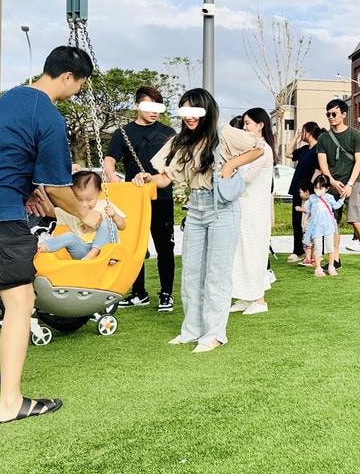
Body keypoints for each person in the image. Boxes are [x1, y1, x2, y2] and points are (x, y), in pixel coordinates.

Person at [0, 46, 103, 423]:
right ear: (68, 77)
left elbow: (0, 158)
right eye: (79, 84)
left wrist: (27, 188)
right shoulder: (47, 114)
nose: (77, 91)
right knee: (22, 300)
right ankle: (11, 403)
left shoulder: (4, 102)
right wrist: (85, 211)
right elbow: (56, 186)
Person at [133, 89, 260, 353]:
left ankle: (214, 334)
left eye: (194, 111)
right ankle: (191, 330)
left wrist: (229, 165)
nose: (189, 118)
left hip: (223, 207)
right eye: (184, 111)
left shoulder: (223, 133)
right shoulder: (180, 141)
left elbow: (258, 149)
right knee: (191, 273)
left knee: (217, 275)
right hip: (196, 208)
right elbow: (165, 178)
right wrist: (147, 178)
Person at [104, 85, 177, 312]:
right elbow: (109, 161)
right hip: (133, 200)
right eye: (148, 106)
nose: (154, 111)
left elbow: (173, 167)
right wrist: (117, 183)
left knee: (165, 247)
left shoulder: (169, 133)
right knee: (135, 247)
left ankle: (166, 294)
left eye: (158, 106)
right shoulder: (122, 133)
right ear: (137, 106)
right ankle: (139, 293)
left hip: (162, 197)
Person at [315, 99, 360, 271]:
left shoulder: (354, 135)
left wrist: (349, 184)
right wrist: (331, 181)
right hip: (332, 184)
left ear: (343, 115)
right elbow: (322, 163)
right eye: (328, 114)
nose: (331, 117)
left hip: (352, 183)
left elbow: (359, 161)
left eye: (334, 114)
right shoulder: (324, 138)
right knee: (332, 222)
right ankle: (336, 259)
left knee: (354, 218)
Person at [229, 107, 277, 315]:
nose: (244, 127)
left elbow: (247, 178)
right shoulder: (251, 148)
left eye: (248, 123)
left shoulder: (263, 150)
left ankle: (259, 300)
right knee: (240, 253)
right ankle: (245, 296)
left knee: (254, 253)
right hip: (243, 207)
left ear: (260, 125)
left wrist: (230, 168)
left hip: (255, 210)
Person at [37, 170, 126, 260]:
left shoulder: (105, 206)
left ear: (99, 193)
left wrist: (114, 215)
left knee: (108, 222)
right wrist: (40, 188)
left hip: (106, 250)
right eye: (79, 200)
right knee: (69, 236)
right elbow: (49, 211)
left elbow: (122, 226)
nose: (84, 204)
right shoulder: (72, 210)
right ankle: (42, 247)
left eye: (89, 199)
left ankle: (93, 253)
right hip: (83, 251)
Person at [286, 121, 324, 262]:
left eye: (302, 131)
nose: (301, 134)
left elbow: (318, 170)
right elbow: (288, 153)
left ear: (309, 132)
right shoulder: (304, 149)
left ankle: (313, 252)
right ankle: (298, 250)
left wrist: (309, 189)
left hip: (308, 192)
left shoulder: (318, 149)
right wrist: (295, 138)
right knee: (296, 221)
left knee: (308, 222)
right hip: (297, 188)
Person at [298, 174, 342, 275]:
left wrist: (342, 199)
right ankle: (318, 268)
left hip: (328, 226)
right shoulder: (312, 198)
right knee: (317, 247)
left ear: (327, 188)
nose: (318, 190)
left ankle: (331, 266)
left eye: (321, 188)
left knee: (330, 247)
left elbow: (335, 206)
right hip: (316, 226)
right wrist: (305, 220)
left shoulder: (329, 197)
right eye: (316, 187)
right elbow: (309, 211)